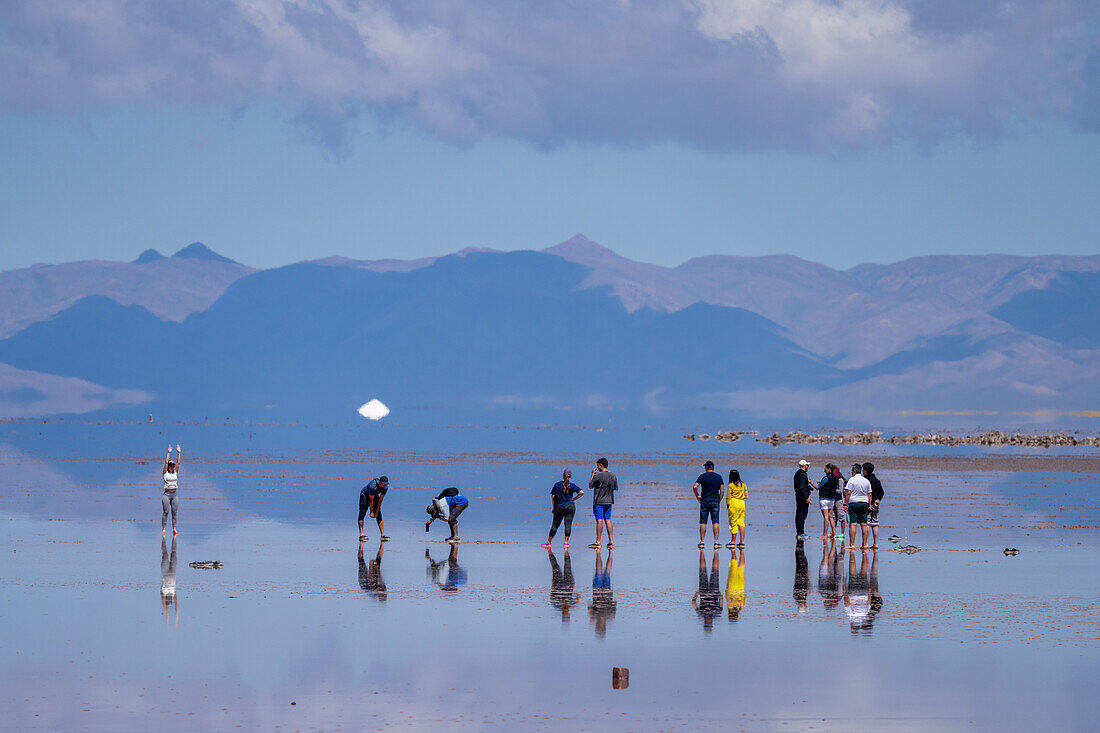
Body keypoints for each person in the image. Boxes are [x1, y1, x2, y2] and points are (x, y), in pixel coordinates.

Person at [544, 469, 584, 549]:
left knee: (555, 525)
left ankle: (549, 542)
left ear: (563, 475)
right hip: (570, 506)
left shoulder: (557, 485)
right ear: (570, 476)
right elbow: (581, 492)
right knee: (568, 524)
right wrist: (574, 499)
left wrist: (554, 507)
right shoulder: (572, 485)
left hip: (560, 507)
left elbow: (553, 497)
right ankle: (566, 543)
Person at [693, 460, 725, 548]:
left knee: (703, 522)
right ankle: (716, 542)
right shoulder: (719, 477)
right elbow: (722, 490)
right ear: (713, 468)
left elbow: (695, 486)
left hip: (705, 501)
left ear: (706, 468)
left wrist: (697, 496)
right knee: (715, 522)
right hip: (715, 500)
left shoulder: (702, 476)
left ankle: (702, 542)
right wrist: (719, 499)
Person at [588, 458, 618, 549]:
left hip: (599, 501)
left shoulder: (598, 475)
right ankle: (611, 541)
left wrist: (592, 474)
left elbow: (590, 485)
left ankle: (598, 541)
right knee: (608, 519)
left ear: (601, 465)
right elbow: (616, 488)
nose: (597, 467)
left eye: (598, 465)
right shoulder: (613, 475)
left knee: (599, 520)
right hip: (609, 501)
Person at [692, 549, 723, 631]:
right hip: (713, 591)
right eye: (709, 622)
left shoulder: (701, 614)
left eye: (707, 623)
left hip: (704, 591)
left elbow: (694, 604)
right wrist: (720, 594)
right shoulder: (716, 614)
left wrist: (696, 594)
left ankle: (703, 551)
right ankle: (714, 552)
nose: (708, 621)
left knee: (704, 569)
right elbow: (721, 603)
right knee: (714, 570)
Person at [844, 464, 873, 550]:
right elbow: (870, 494)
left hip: (854, 503)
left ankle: (852, 544)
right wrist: (869, 505)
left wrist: (845, 503)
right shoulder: (866, 481)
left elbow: (848, 492)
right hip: (864, 503)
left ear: (853, 471)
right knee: (864, 524)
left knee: (853, 524)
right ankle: (865, 544)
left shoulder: (851, 480)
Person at [588, 548, 616, 637]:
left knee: (606, 572)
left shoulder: (610, 617)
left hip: (605, 592)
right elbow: (589, 606)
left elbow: (614, 604)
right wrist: (591, 617)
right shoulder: (608, 616)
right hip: (599, 592)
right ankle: (601, 554)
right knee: (602, 572)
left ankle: (606, 554)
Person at [548, 550, 581, 623]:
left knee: (561, 567)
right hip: (564, 585)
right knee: (560, 567)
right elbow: (552, 595)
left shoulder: (558, 605)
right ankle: (553, 553)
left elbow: (579, 598)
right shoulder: (567, 605)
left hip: (562, 585)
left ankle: (553, 553)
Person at [358, 475, 391, 542]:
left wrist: (376, 511)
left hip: (375, 496)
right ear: (380, 483)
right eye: (384, 484)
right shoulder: (372, 486)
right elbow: (371, 501)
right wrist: (371, 512)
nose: (385, 485)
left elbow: (380, 500)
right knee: (362, 513)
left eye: (386, 484)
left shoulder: (385, 488)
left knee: (379, 514)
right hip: (365, 495)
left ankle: (383, 535)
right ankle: (361, 534)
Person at [161, 444, 181, 537]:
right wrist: (168, 453)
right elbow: (165, 463)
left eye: (173, 466)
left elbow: (179, 463)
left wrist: (179, 453)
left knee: (174, 512)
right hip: (167, 494)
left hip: (174, 494)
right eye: (170, 466)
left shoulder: (175, 472)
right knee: (166, 511)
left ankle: (174, 529)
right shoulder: (165, 473)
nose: (172, 467)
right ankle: (164, 529)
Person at [864, 462, 885, 550]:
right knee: (875, 524)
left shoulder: (865, 480)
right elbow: (882, 492)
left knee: (867, 524)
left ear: (865, 471)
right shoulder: (877, 480)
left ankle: (866, 544)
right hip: (875, 504)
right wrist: (878, 499)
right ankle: (876, 544)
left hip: (867, 504)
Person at [816, 463, 840, 539]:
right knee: (830, 517)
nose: (824, 470)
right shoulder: (836, 478)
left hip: (824, 499)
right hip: (832, 499)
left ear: (829, 469)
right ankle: (834, 533)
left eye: (825, 469)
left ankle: (825, 534)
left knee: (826, 517)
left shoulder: (826, 478)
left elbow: (818, 487)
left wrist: (812, 483)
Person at [725, 469, 748, 548]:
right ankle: (741, 542)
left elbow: (728, 497)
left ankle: (733, 541)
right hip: (742, 503)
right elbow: (746, 495)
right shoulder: (743, 484)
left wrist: (728, 505)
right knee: (741, 522)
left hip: (734, 503)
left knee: (733, 522)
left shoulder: (731, 485)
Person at [160, 536, 178, 627]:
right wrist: (175, 616)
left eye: (168, 600)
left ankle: (165, 538)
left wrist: (166, 613)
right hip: (173, 571)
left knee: (165, 554)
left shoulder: (165, 592)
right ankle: (171, 538)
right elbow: (177, 605)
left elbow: (163, 601)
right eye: (171, 601)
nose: (170, 599)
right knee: (173, 553)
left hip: (165, 571)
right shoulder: (173, 592)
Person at [792, 459, 813, 539]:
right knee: (802, 515)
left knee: (799, 514)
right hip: (802, 498)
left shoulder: (798, 473)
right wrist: (806, 497)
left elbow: (800, 485)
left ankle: (799, 532)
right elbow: (801, 487)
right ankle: (801, 533)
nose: (808, 467)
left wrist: (808, 485)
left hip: (798, 496)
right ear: (804, 466)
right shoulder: (803, 474)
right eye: (807, 465)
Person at [726, 546, 746, 621]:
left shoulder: (740, 607)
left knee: (741, 568)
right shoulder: (730, 606)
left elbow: (745, 597)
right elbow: (727, 594)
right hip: (732, 587)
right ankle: (733, 551)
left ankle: (741, 552)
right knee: (734, 567)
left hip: (740, 588)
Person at [793, 540, 809, 613]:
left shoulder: (799, 596)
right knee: (802, 561)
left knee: (801, 561)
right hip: (801, 576)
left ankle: (799, 545)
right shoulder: (799, 597)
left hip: (800, 576)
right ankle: (799, 545)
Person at [833, 465, 848, 541]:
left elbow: (841, 491)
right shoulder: (832, 479)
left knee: (841, 516)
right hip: (833, 499)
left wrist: (832, 490)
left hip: (839, 500)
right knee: (833, 517)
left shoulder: (840, 480)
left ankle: (842, 533)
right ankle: (833, 532)